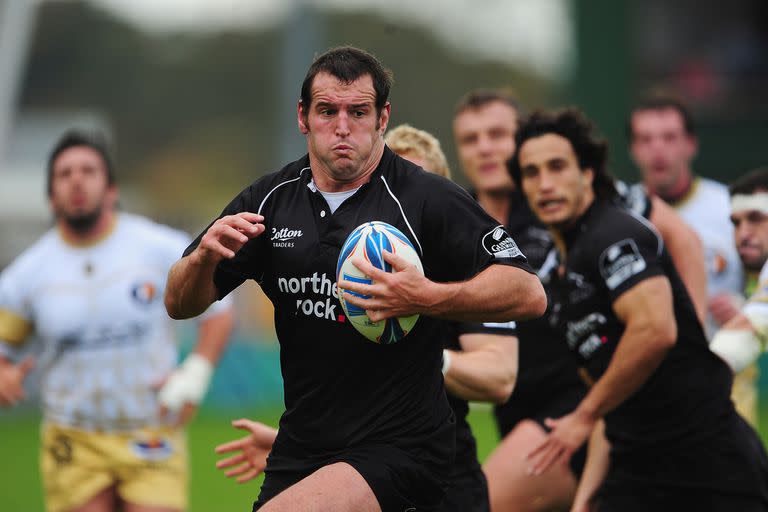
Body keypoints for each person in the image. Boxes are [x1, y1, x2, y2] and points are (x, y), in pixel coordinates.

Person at [164, 46, 546, 512]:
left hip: (401, 446)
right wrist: (203, 258)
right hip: (303, 447)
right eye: (327, 111)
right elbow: (178, 303)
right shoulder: (270, 201)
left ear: (383, 117)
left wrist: (426, 296)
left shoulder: (426, 198)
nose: (342, 127)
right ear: (303, 117)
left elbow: (529, 291)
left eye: (358, 111)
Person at [214, 123, 520, 512]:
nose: (393, 204)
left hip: (444, 485)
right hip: (362, 469)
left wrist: (425, 330)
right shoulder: (354, 272)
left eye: (409, 186)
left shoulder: (465, 278)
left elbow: (499, 376)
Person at [452, 89, 707, 512]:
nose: (485, 148)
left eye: (497, 134)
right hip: (515, 405)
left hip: (577, 401)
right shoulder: (458, 211)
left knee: (486, 504)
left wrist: (691, 336)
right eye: (470, 139)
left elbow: (682, 237)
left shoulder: (558, 197)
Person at [514, 108, 768, 511]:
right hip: (636, 474)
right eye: (531, 172)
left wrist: (582, 415)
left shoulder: (614, 233)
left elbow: (655, 330)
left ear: (587, 173)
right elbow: (607, 400)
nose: (545, 184)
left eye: (558, 166)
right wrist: (584, 501)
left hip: (709, 467)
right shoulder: (561, 281)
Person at [0, 130, 235, 512]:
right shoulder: (25, 275)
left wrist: (194, 374)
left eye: (88, 170)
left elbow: (219, 313)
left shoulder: (160, 248)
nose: (77, 180)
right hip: (73, 439)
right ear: (50, 195)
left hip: (151, 429)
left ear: (110, 188)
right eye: (65, 173)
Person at [629, 92, 743, 336]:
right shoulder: (618, 215)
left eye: (669, 137)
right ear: (633, 149)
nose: (657, 148)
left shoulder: (733, 209)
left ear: (691, 144)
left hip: (726, 363)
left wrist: (746, 307)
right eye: (645, 139)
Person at [710, 167, 768, 428]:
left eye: (756, 218)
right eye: (736, 222)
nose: (743, 234)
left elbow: (742, 335)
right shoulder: (751, 286)